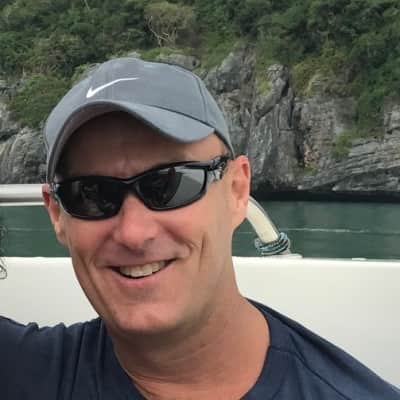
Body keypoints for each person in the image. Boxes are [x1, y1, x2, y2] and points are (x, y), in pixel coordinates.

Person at [1, 57, 399, 400]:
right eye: (91, 194)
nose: (134, 233)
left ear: (237, 190)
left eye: (171, 184)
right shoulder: (23, 372)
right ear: (57, 215)